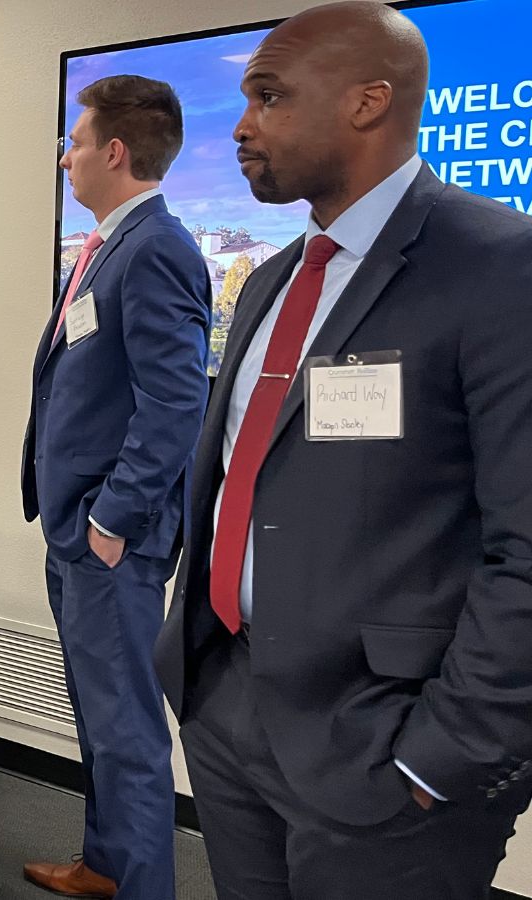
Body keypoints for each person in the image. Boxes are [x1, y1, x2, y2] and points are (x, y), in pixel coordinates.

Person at [154, 4, 532, 897]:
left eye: (270, 97)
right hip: (228, 710)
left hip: (386, 751)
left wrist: (442, 757)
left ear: (369, 102)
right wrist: (199, 679)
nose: (242, 127)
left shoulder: (500, 268)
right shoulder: (273, 282)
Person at [18, 76, 210, 899]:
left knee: (127, 727)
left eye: (76, 140)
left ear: (115, 151)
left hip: (110, 537)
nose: (67, 156)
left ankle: (141, 887)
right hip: (76, 525)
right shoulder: (108, 245)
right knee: (98, 713)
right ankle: (106, 866)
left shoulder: (157, 248)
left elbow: (177, 401)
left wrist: (112, 519)